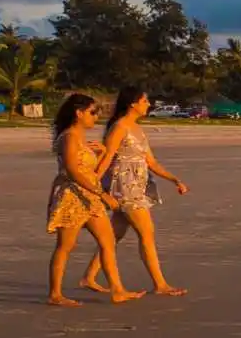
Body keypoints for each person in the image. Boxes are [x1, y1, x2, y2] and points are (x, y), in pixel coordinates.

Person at [82, 86, 190, 296]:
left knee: (113, 236)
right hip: (124, 187)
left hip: (138, 185)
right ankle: (160, 284)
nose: (148, 104)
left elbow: (151, 162)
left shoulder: (137, 128)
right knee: (146, 233)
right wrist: (93, 183)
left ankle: (88, 277)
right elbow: (107, 157)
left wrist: (174, 179)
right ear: (133, 103)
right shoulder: (120, 126)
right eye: (145, 101)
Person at [45, 94, 141, 306]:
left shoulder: (82, 139)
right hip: (72, 196)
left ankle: (117, 290)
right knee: (66, 246)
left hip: (90, 196)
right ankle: (55, 294)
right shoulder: (69, 137)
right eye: (92, 112)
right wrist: (102, 194)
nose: (95, 117)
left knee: (107, 242)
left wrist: (103, 152)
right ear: (79, 113)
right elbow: (72, 171)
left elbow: (89, 172)